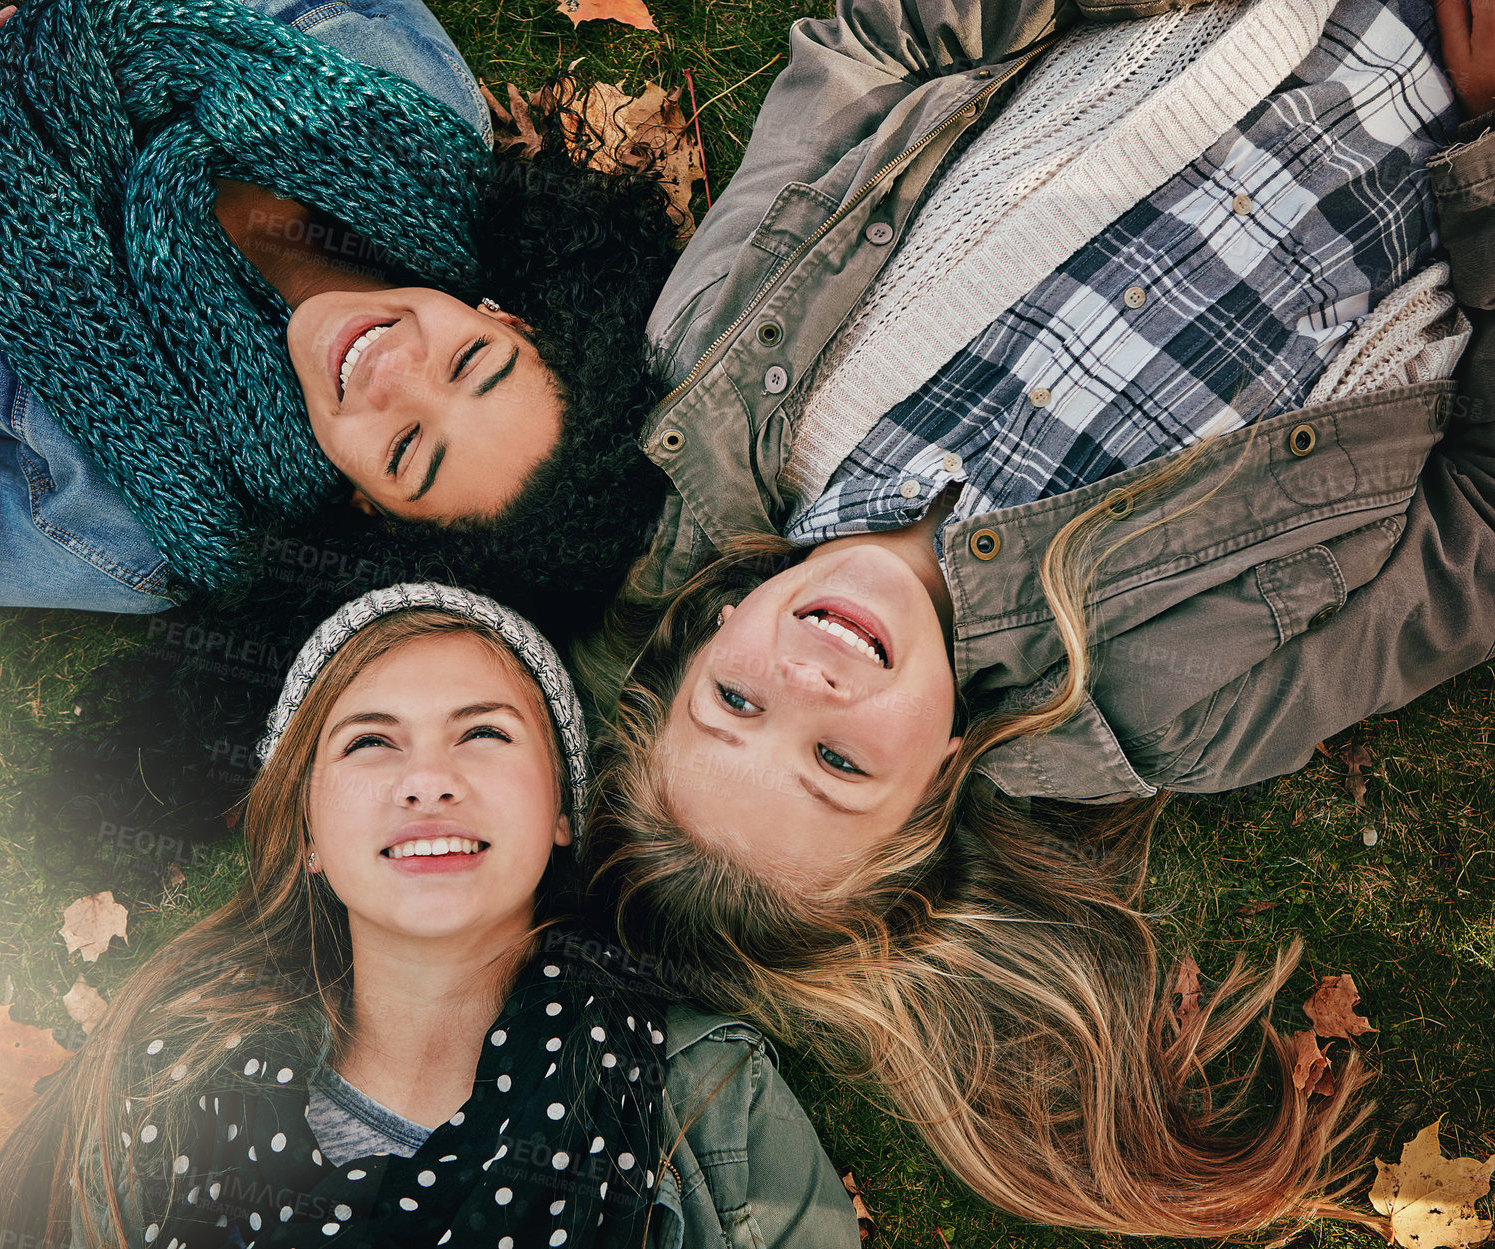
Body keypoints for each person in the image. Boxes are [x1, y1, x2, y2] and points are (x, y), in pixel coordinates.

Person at [580, 0, 1495, 1236]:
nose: (807, 679)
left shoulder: (721, 370)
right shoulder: (1172, 712)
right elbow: (1478, 518)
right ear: (936, 786)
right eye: (836, 764)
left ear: (710, 625)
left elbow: (868, 44)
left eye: (733, 701)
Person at [0, 582, 861, 1249]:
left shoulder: (713, 1101)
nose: (429, 778)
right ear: (309, 832)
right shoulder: (159, 1080)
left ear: (561, 812)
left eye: (484, 733)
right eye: (369, 741)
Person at [0, 0, 671, 614]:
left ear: (373, 514)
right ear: (510, 319)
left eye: (406, 449)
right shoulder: (405, 110)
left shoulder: (130, 530)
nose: (395, 372)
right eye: (470, 362)